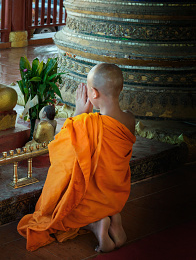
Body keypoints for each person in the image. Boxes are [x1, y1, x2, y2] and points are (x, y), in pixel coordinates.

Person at [17, 63, 136, 253]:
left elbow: (62, 150)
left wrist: (80, 112)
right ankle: (114, 218)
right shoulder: (130, 119)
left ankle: (97, 225)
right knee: (101, 201)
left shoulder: (86, 122)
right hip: (115, 196)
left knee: (64, 215)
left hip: (91, 201)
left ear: (93, 94)